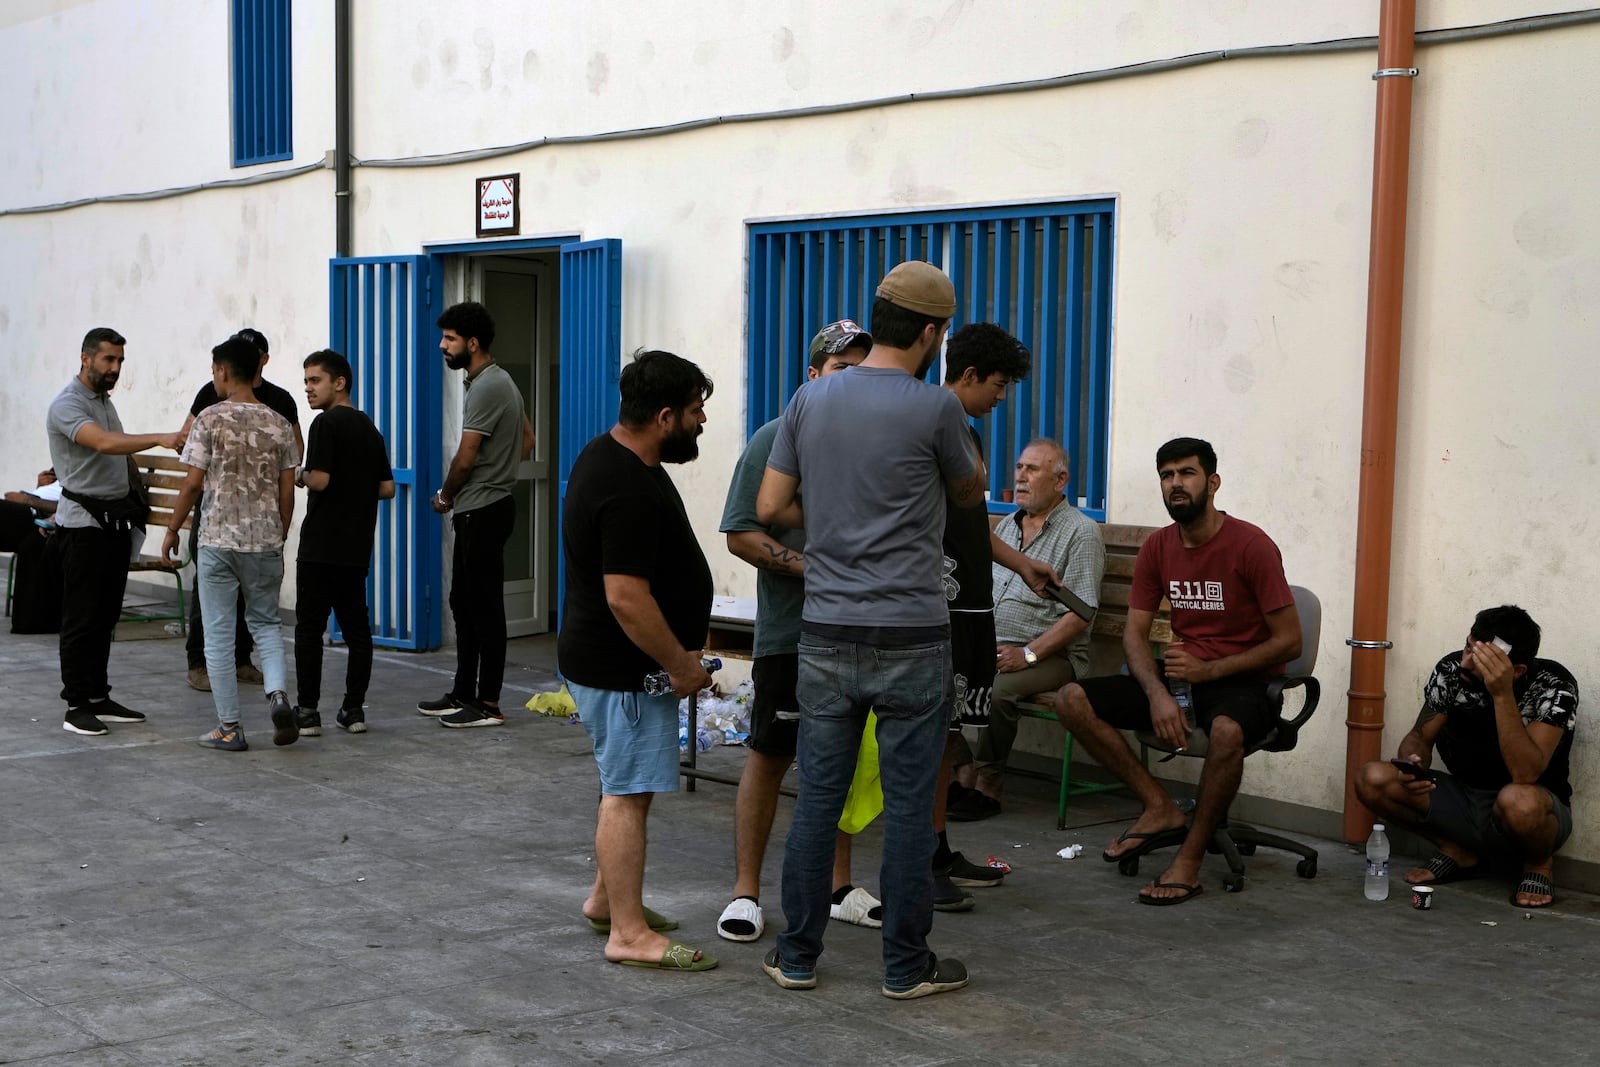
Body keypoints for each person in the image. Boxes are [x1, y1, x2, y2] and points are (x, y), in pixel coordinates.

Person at [757, 261, 981, 999]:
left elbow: (770, 506)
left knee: (818, 795)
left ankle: (795, 955)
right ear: (930, 332)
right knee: (913, 805)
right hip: (914, 630)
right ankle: (905, 966)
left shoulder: (810, 398)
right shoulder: (937, 409)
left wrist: (833, 520)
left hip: (826, 629)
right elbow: (968, 490)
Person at [1043, 437, 1300, 905]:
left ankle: (1189, 859)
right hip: (1181, 676)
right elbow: (1134, 636)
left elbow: (1289, 641)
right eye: (1167, 475)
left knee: (1224, 732)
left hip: (1243, 683)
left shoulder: (1251, 545)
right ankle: (1160, 807)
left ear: (1213, 482)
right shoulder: (1160, 546)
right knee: (1070, 699)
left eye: (1187, 473)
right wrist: (1158, 694)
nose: (1176, 484)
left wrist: (1209, 670)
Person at [716, 320, 881, 943]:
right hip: (792, 636)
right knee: (768, 756)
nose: (852, 386)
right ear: (813, 377)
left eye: (863, 373)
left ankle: (839, 887)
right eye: (841, 371)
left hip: (860, 633)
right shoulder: (773, 440)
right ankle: (745, 892)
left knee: (840, 763)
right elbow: (741, 531)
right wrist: (815, 569)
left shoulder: (871, 446)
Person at [560, 349, 718, 972]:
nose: (701, 422)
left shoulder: (619, 458)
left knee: (626, 787)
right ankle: (627, 933)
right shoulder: (624, 484)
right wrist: (681, 664)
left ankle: (607, 900)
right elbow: (626, 597)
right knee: (626, 793)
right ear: (663, 416)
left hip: (617, 666)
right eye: (696, 411)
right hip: (624, 669)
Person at [925, 323, 1053, 909]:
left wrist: (1022, 562)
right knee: (935, 739)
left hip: (972, 605)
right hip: (941, 608)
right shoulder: (929, 424)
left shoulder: (965, 431)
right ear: (969, 375)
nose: (1002, 398)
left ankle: (941, 848)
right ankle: (924, 863)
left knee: (951, 738)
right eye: (997, 385)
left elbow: (973, 523)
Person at [1354, 605, 1578, 909]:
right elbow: (1419, 737)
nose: (1465, 663)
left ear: (1517, 671)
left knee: (1518, 800)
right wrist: (1413, 762)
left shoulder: (1554, 684)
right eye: (1468, 648)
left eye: (1484, 660)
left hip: (1532, 805)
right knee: (1372, 778)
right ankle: (1457, 850)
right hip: (1464, 799)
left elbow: (1525, 773)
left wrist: (1501, 694)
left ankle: (1538, 864)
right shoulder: (1451, 671)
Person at [951, 437, 1104, 817]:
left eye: (1032, 470)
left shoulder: (1080, 531)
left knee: (999, 690)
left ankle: (989, 781)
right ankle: (960, 767)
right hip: (995, 645)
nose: (1020, 477)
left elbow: (1082, 612)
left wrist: (1029, 653)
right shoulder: (1005, 526)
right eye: (1019, 468)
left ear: (1060, 480)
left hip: (1052, 655)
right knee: (937, 674)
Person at [161, 335, 299, 751]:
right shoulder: (278, 421)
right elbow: (288, 490)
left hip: (218, 540)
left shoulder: (208, 419)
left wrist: (172, 529)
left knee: (218, 635)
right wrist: (279, 532)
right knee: (267, 625)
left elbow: (193, 483)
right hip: (264, 542)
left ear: (222, 370)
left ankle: (230, 727)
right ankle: (276, 694)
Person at [46, 327, 183, 735]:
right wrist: (160, 437)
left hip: (113, 525)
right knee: (81, 618)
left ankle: (98, 696)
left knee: (106, 616)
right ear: (86, 358)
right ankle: (75, 705)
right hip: (83, 527)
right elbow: (104, 443)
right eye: (108, 359)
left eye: (120, 361)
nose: (115, 368)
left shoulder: (102, 400)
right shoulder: (67, 405)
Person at [417, 301, 535, 728]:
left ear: (472, 342)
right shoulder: (495, 381)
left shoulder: (487, 386)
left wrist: (446, 496)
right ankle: (463, 692)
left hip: (481, 508)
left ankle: (488, 704)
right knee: (463, 603)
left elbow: (466, 458)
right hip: (485, 505)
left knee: (484, 609)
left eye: (448, 339)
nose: (441, 346)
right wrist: (501, 471)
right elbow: (527, 438)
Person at [292, 349, 395, 737]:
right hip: (355, 548)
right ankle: (353, 710)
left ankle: (307, 712)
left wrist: (298, 473)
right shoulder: (370, 428)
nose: (308, 389)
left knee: (309, 629)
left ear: (340, 382)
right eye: (305, 381)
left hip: (320, 546)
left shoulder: (325, 425)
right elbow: (386, 489)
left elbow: (320, 480)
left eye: (315, 380)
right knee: (358, 630)